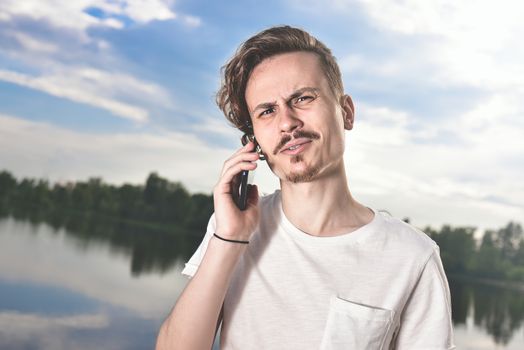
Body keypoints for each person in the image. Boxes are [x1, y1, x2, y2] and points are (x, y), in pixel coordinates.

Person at [156, 25, 456, 350]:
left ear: (346, 113)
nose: (287, 122)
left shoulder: (411, 256)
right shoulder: (231, 231)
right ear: (253, 141)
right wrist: (229, 238)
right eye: (267, 111)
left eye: (302, 98)